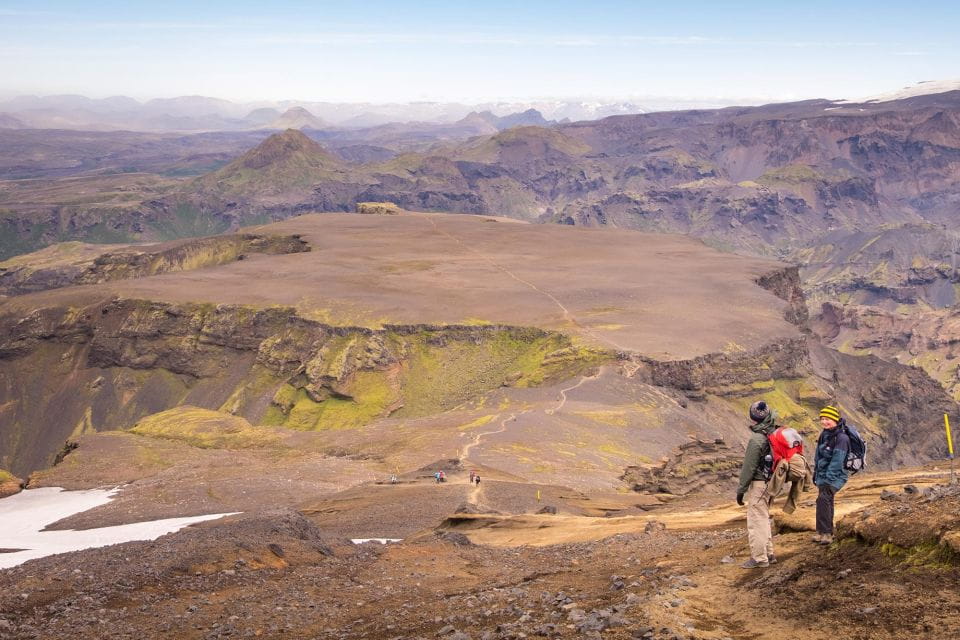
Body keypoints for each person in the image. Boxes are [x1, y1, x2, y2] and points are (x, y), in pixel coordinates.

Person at [736, 400, 778, 568]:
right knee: (763, 517)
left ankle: (759, 558)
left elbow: (749, 467)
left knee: (756, 520)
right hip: (771, 482)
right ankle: (769, 553)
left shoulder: (757, 438)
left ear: (753, 417)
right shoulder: (772, 432)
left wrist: (741, 490)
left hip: (760, 484)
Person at [812, 405, 849, 545]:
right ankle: (823, 532)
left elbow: (838, 460)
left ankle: (826, 533)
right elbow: (818, 455)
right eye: (822, 419)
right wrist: (816, 473)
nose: (824, 422)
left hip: (835, 476)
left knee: (823, 500)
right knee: (825, 501)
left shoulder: (842, 438)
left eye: (827, 419)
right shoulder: (824, 434)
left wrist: (829, 478)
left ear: (835, 420)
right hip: (823, 474)